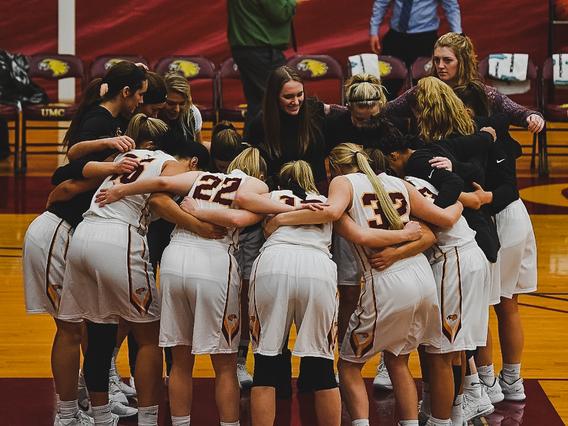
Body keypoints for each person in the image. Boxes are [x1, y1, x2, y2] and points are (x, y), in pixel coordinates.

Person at [94, 147, 323, 425]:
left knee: (180, 361)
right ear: (261, 173)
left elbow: (162, 185)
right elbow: (239, 219)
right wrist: (297, 206)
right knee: (225, 366)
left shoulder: (202, 176)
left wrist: (121, 191)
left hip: (175, 258)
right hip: (214, 262)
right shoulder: (257, 186)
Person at [265, 143, 464, 426]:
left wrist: (281, 218)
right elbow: (435, 228)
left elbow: (341, 219)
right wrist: (460, 201)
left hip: (386, 281)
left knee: (348, 365)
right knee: (397, 360)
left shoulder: (343, 182)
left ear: (333, 167)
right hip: (421, 277)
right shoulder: (398, 183)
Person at [384, 32, 545, 134]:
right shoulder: (421, 91)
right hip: (431, 161)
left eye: (447, 60)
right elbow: (387, 110)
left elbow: (518, 112)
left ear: (463, 61)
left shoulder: (483, 93)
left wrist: (533, 117)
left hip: (471, 163)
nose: (440, 66)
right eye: (436, 60)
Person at [247, 65, 328, 188]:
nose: (295, 102)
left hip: (316, 189)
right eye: (288, 97)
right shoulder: (260, 124)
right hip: (279, 192)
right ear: (274, 97)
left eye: (300, 94)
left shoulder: (316, 111)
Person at [227, 0, 299, 135]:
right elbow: (280, 13)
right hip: (261, 49)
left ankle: (249, 149)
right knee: (272, 101)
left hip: (246, 46)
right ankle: (265, 148)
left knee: (258, 104)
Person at [158, 72, 203, 154]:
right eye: (171, 103)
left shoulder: (192, 113)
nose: (177, 110)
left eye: (182, 104)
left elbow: (199, 151)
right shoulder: (152, 114)